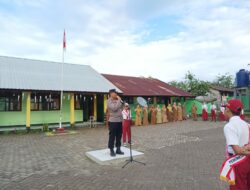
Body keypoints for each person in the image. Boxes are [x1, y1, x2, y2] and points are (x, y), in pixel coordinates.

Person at [220, 99, 250, 189]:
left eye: (224, 109)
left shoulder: (229, 126)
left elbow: (237, 150)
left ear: (228, 110)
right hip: (248, 160)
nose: (223, 112)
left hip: (238, 162)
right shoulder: (247, 124)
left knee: (238, 187)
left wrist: (244, 150)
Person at [107, 89, 124, 157]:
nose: (116, 94)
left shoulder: (118, 100)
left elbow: (121, 107)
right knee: (112, 136)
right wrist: (119, 100)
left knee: (119, 136)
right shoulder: (109, 101)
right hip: (113, 121)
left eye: (116, 93)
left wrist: (121, 102)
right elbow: (114, 108)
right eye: (114, 93)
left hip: (119, 120)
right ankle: (111, 150)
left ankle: (118, 149)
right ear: (111, 94)